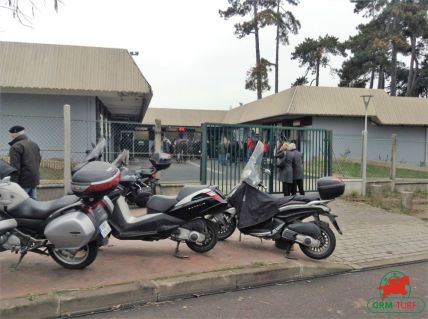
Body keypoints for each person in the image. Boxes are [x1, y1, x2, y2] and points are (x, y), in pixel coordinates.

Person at [8, 125, 41, 200]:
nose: (10, 136)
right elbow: (38, 161)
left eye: (11, 134)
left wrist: (14, 184)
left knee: (19, 203)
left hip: (23, 181)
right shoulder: (34, 144)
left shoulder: (16, 146)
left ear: (14, 134)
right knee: (33, 203)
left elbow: (15, 167)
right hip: (34, 179)